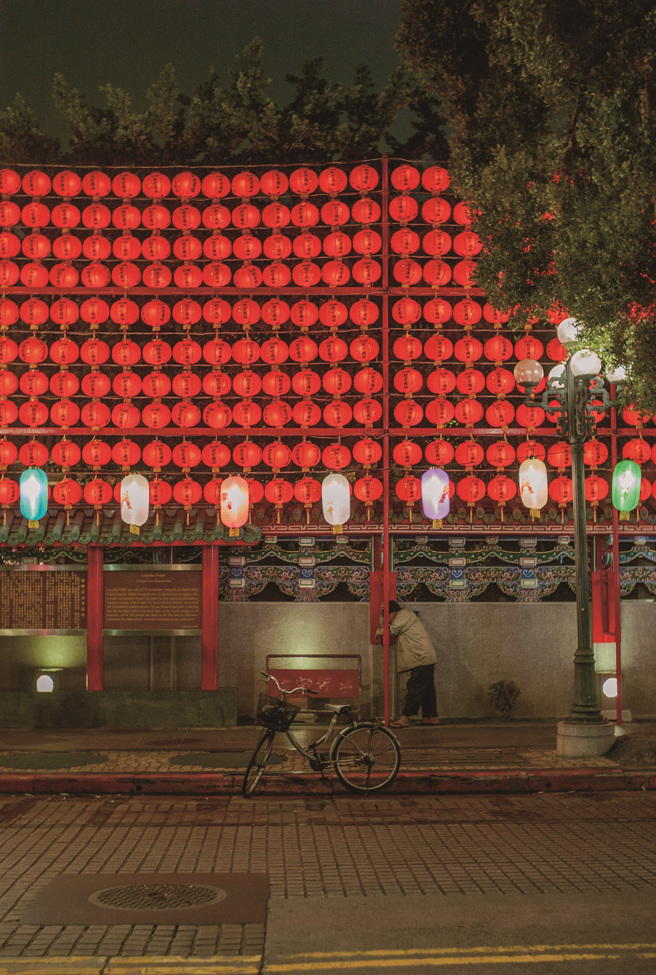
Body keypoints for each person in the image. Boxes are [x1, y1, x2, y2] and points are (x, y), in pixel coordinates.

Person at [376, 600, 439, 728]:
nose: (387, 618)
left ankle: (405, 718)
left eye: (387, 614)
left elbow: (390, 630)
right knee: (427, 690)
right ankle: (431, 717)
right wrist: (382, 614)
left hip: (421, 658)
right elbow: (386, 625)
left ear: (394, 612)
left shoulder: (404, 615)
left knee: (414, 688)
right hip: (424, 657)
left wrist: (378, 631)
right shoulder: (402, 615)